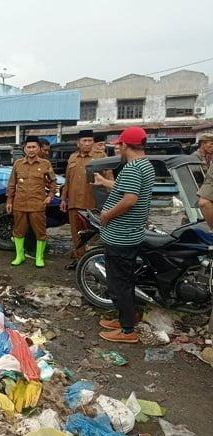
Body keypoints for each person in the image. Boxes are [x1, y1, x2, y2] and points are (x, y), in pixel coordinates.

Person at [92, 127, 155, 343]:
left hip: (121, 235)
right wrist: (105, 182)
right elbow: (125, 188)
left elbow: (129, 199)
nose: (118, 148)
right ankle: (127, 317)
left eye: (119, 144)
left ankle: (127, 330)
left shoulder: (132, 168)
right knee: (125, 279)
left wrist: (107, 215)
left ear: (126, 145)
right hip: (130, 232)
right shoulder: (145, 165)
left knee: (120, 281)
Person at [60, 130, 109, 270]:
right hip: (74, 203)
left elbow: (109, 179)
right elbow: (68, 180)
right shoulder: (72, 158)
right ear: (78, 143)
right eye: (84, 141)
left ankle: (95, 261)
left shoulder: (101, 156)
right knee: (76, 234)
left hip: (92, 203)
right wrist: (64, 199)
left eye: (89, 141)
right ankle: (79, 260)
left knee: (94, 233)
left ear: (93, 142)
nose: (87, 144)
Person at [6, 136, 57, 268]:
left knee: (40, 231)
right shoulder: (18, 164)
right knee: (19, 230)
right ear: (24, 149)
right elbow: (12, 184)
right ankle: (19, 255)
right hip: (20, 204)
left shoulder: (45, 164)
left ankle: (39, 257)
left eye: (34, 147)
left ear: (39, 148)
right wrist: (9, 201)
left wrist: (50, 196)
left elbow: (53, 182)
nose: (31, 150)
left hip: (38, 204)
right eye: (28, 147)